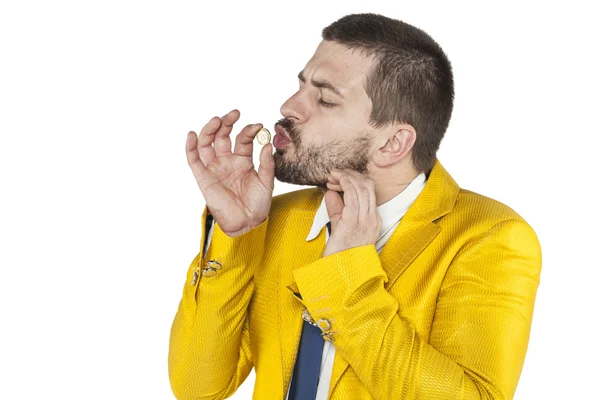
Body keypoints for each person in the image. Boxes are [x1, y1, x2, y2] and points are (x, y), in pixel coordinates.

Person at [168, 12, 542, 400]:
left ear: (392, 143)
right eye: (301, 86)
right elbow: (199, 388)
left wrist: (346, 278)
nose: (290, 106)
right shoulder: (279, 219)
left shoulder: (490, 237)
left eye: (326, 99)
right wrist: (236, 239)